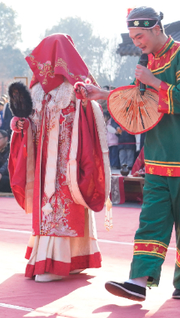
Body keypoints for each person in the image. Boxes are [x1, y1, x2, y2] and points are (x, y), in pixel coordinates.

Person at [87, 7, 180, 301]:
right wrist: (104, 95)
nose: (136, 42)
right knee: (151, 220)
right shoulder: (148, 62)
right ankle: (139, 281)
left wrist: (153, 81)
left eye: (139, 35)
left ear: (156, 28)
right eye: (132, 37)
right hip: (156, 156)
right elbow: (141, 101)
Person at [9, 34, 110, 283]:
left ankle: (59, 263)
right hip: (43, 161)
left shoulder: (77, 87)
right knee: (49, 205)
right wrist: (22, 126)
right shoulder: (35, 90)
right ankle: (60, 258)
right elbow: (33, 124)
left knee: (66, 202)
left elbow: (91, 120)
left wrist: (84, 105)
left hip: (69, 159)